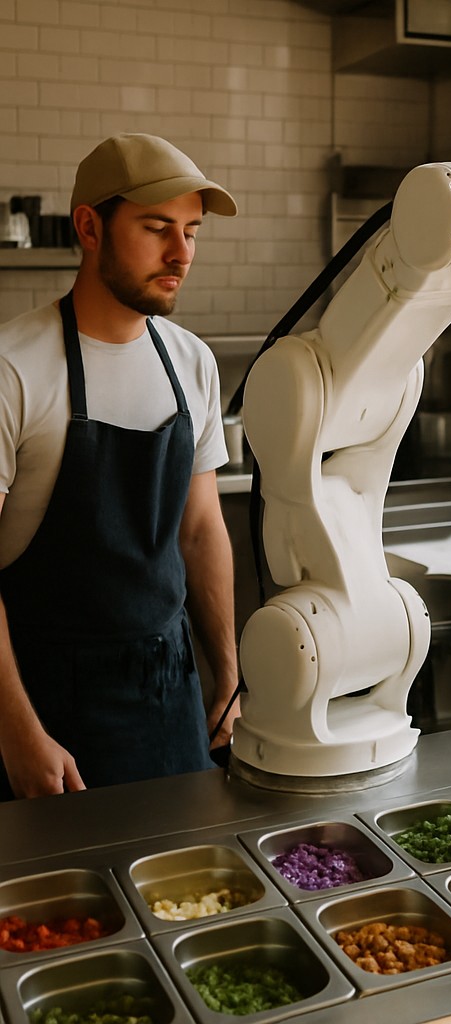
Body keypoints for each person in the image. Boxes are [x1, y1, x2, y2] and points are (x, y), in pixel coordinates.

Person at [0, 133, 241, 799]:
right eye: (157, 228)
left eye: (192, 232)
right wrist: (15, 729)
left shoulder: (191, 362)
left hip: (171, 691)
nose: (181, 254)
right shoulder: (14, 368)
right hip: (42, 700)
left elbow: (200, 531)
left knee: (187, 893)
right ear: (89, 227)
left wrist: (228, 672)